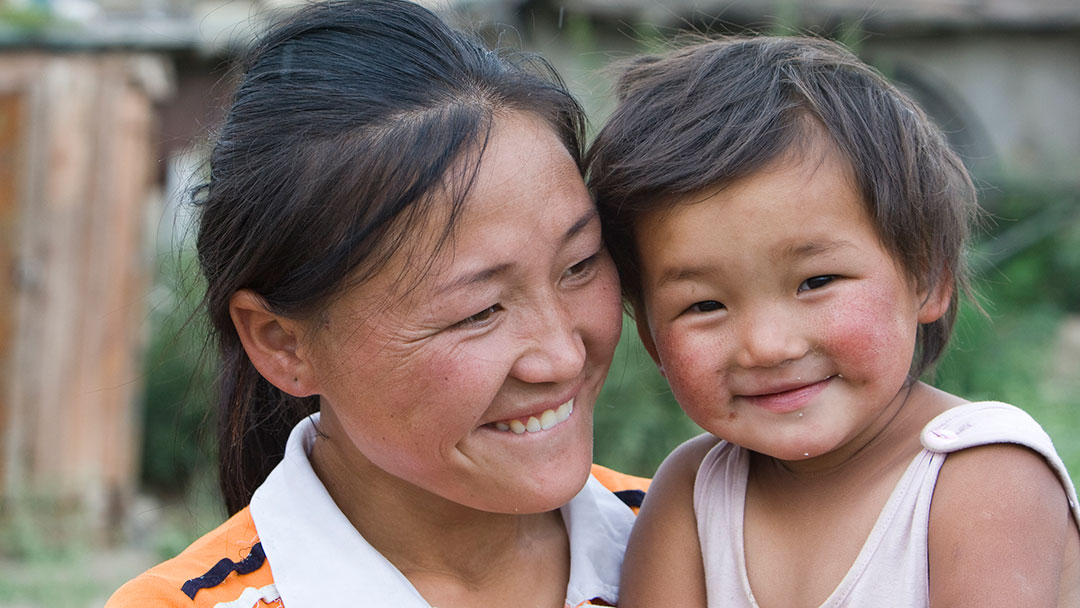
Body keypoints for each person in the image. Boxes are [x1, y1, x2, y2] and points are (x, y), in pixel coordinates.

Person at [107, 1, 649, 606]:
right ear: (282, 342)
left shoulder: (704, 543)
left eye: (579, 265)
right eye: (478, 311)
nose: (563, 357)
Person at [587, 36, 1080, 607]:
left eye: (816, 281)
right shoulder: (692, 493)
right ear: (651, 338)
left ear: (926, 277)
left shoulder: (984, 476)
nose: (766, 346)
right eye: (704, 306)